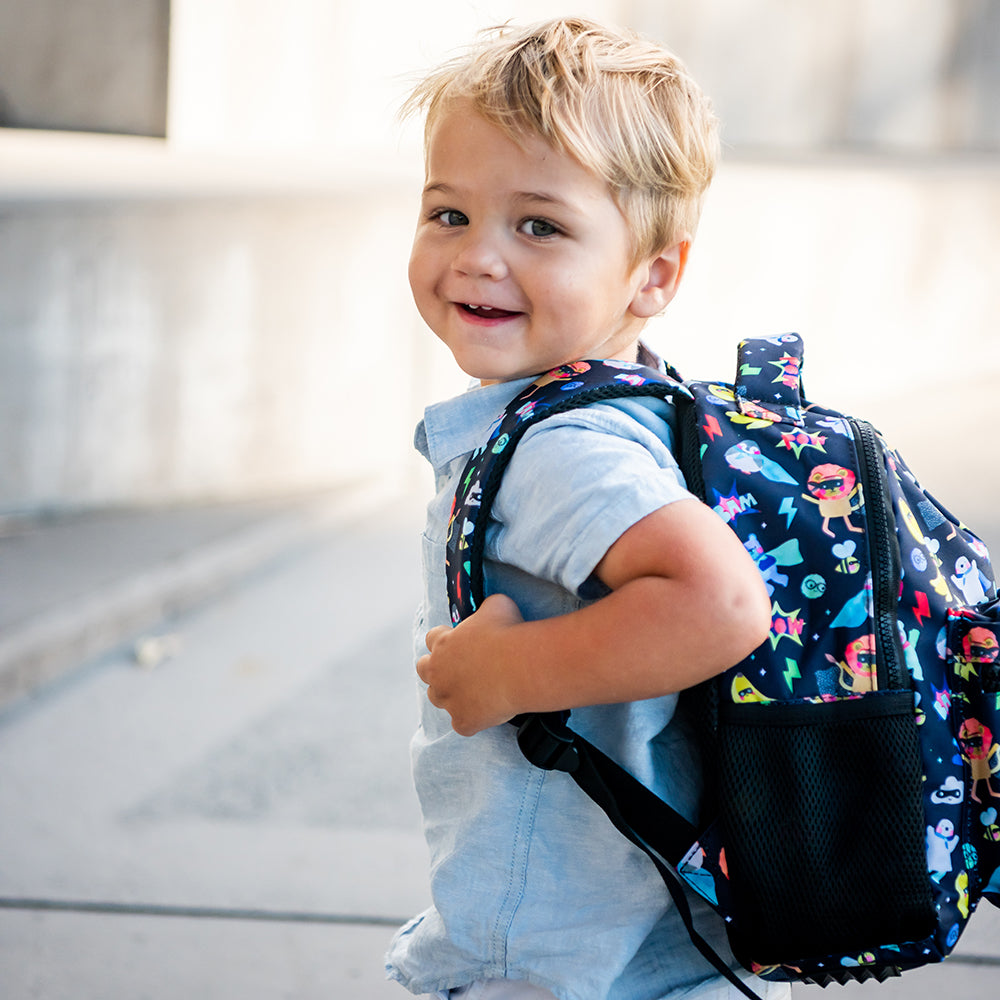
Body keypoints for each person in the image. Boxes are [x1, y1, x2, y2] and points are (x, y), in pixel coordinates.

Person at [386, 17, 782, 1000]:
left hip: (565, 954)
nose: (478, 257)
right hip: (652, 936)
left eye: (539, 226)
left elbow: (721, 604)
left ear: (654, 274)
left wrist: (503, 671)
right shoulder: (632, 403)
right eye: (447, 214)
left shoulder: (561, 446)